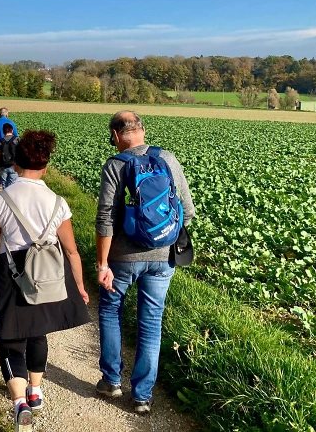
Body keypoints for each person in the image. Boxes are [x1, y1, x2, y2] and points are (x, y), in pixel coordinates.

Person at [0, 130, 91, 432]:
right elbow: (72, 251)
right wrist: (79, 287)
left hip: (12, 276)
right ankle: (35, 391)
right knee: (38, 333)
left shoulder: (0, 199)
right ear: (45, 166)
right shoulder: (57, 201)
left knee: (10, 341)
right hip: (48, 277)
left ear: (15, 164)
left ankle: (20, 403)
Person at [95, 111, 195, 414]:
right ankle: (142, 396)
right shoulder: (167, 158)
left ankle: (111, 381)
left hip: (122, 258)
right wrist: (163, 237)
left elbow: (106, 218)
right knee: (151, 322)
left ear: (115, 136)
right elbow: (188, 210)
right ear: (143, 130)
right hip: (163, 258)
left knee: (111, 310)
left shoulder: (115, 165)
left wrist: (102, 263)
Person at [0, 123, 19, 188]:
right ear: (12, 130)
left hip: (2, 166)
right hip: (14, 165)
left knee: (4, 184)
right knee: (13, 185)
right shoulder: (17, 140)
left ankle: (5, 194)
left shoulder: (0, 141)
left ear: (3, 131)